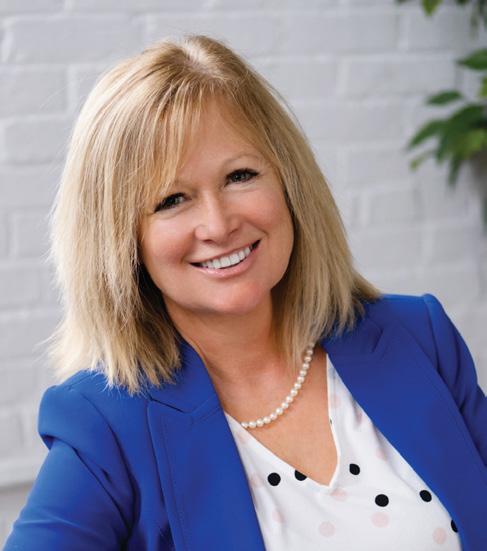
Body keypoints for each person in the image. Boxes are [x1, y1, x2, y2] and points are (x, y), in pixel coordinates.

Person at [4, 34, 486, 551]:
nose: (218, 225)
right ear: (121, 239)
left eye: (240, 175)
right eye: (172, 200)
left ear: (289, 182)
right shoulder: (105, 424)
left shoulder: (418, 337)